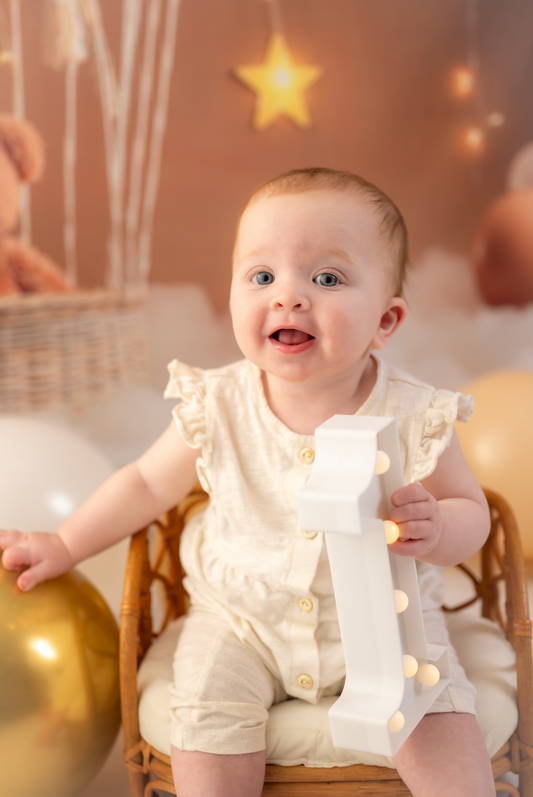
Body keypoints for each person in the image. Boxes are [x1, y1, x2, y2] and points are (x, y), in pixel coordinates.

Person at [0, 168, 494, 797]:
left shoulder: (415, 414)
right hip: (242, 621)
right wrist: (66, 545)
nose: (289, 296)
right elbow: (146, 486)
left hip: (379, 624)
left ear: (386, 321)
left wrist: (442, 526)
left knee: (441, 722)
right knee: (207, 712)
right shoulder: (219, 402)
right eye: (262, 276)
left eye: (327, 278)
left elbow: (471, 512)